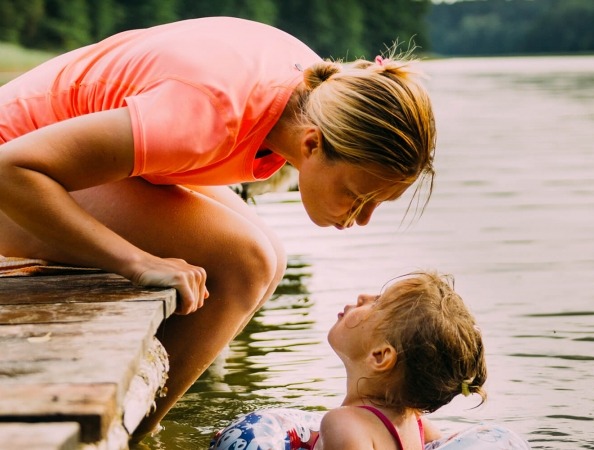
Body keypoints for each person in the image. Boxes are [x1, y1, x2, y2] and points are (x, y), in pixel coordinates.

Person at [0, 16, 436, 437]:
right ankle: (130, 433)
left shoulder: (310, 94)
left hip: (64, 167)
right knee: (244, 262)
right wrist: (135, 261)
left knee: (269, 256)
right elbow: (11, 169)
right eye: (358, 196)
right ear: (312, 144)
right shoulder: (208, 114)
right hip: (15, 184)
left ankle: (150, 426)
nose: (361, 219)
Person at [210, 271, 488, 450]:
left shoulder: (342, 424)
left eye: (377, 304)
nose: (363, 297)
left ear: (380, 356)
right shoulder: (416, 426)